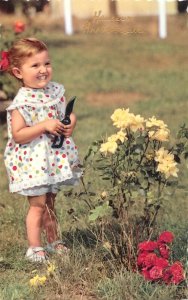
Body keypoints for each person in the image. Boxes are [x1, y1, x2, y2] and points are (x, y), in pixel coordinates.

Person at [2, 38, 82, 262]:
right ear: (18, 72)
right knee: (37, 204)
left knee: (50, 201)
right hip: (33, 162)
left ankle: (53, 240)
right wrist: (43, 126)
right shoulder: (21, 103)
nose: (43, 70)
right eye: (35, 66)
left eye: (46, 64)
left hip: (52, 158)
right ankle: (34, 248)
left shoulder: (54, 91)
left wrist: (70, 122)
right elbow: (18, 134)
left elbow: (66, 113)